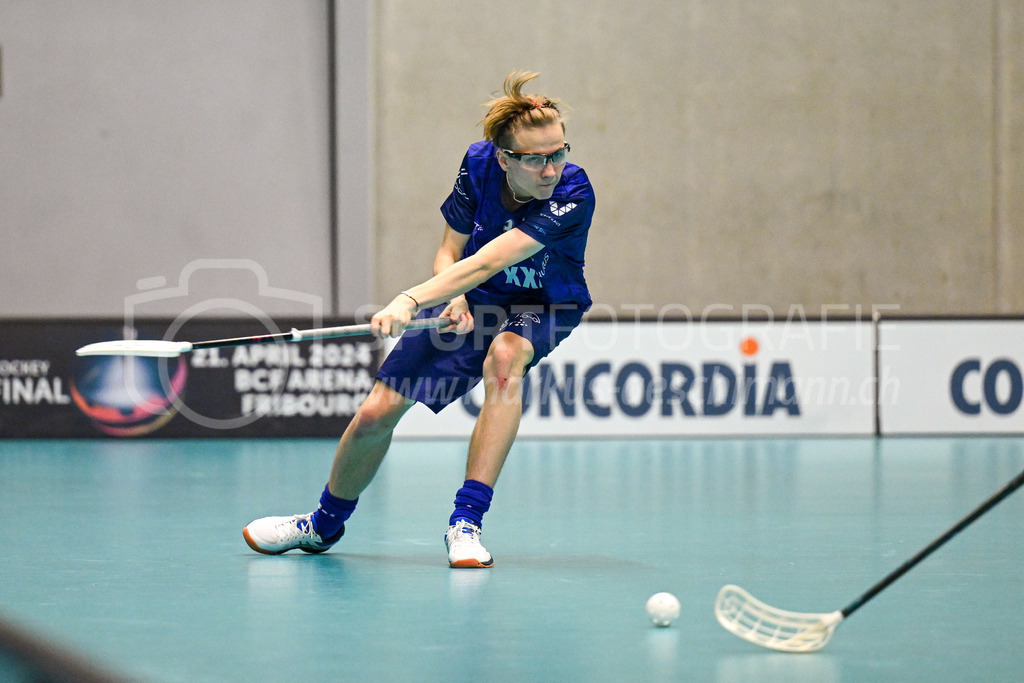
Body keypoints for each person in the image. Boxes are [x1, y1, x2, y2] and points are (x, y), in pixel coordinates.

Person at [243, 71, 595, 568]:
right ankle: (321, 525)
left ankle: (466, 523)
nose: (550, 169)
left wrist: (409, 300)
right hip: (476, 296)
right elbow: (451, 252)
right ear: (504, 158)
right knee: (375, 413)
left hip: (545, 303)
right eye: (535, 158)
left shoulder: (573, 193)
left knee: (505, 358)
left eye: (558, 153)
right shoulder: (478, 165)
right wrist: (455, 296)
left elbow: (489, 259)